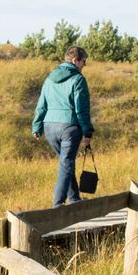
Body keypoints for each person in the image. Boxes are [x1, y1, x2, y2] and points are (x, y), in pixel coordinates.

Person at [31, 44, 95, 205]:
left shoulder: (49, 78)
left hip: (49, 127)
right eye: (84, 61)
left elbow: (41, 105)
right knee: (66, 164)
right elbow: (82, 109)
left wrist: (37, 126)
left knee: (66, 162)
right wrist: (87, 132)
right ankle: (57, 205)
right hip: (69, 127)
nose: (85, 65)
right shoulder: (78, 79)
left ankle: (74, 199)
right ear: (75, 60)